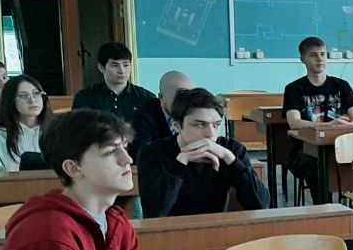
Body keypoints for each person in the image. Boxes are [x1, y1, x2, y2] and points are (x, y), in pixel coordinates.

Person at [0, 110, 161, 250]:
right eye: (111, 151)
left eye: (125, 147)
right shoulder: (50, 234)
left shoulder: (117, 223)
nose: (127, 159)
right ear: (73, 168)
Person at [137, 88, 269, 218]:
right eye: (201, 125)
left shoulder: (231, 150)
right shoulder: (151, 153)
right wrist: (181, 163)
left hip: (216, 227)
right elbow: (155, 213)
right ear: (176, 126)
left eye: (216, 124)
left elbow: (261, 205)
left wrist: (230, 159)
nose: (210, 133)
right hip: (170, 230)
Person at [282, 36, 353, 200]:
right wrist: (329, 125)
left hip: (339, 147)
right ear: (303, 60)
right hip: (304, 151)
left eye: (323, 54)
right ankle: (325, 209)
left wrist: (346, 127)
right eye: (313, 55)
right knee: (319, 164)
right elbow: (294, 122)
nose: (320, 59)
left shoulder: (342, 86)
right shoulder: (294, 89)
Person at [0, 75, 52, 173]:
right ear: (10, 101)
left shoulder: (57, 131)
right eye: (24, 95)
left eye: (36, 93)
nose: (32, 100)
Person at [72, 42, 157, 125]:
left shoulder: (146, 98)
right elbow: (79, 129)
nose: (122, 71)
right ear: (101, 68)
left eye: (126, 65)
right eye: (115, 65)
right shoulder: (85, 97)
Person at [130, 71, 193, 159]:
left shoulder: (196, 110)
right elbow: (141, 156)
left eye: (190, 96)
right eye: (180, 97)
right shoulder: (144, 117)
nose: (186, 102)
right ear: (161, 97)